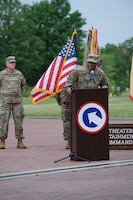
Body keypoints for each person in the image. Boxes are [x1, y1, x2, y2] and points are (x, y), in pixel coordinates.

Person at [0, 56, 26, 149]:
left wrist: (17, 93)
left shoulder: (19, 74)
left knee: (19, 122)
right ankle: (2, 141)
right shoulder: (2, 74)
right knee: (3, 121)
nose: (12, 64)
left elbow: (23, 84)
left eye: (14, 62)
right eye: (11, 63)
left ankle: (20, 141)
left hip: (17, 102)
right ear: (6, 64)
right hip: (5, 102)